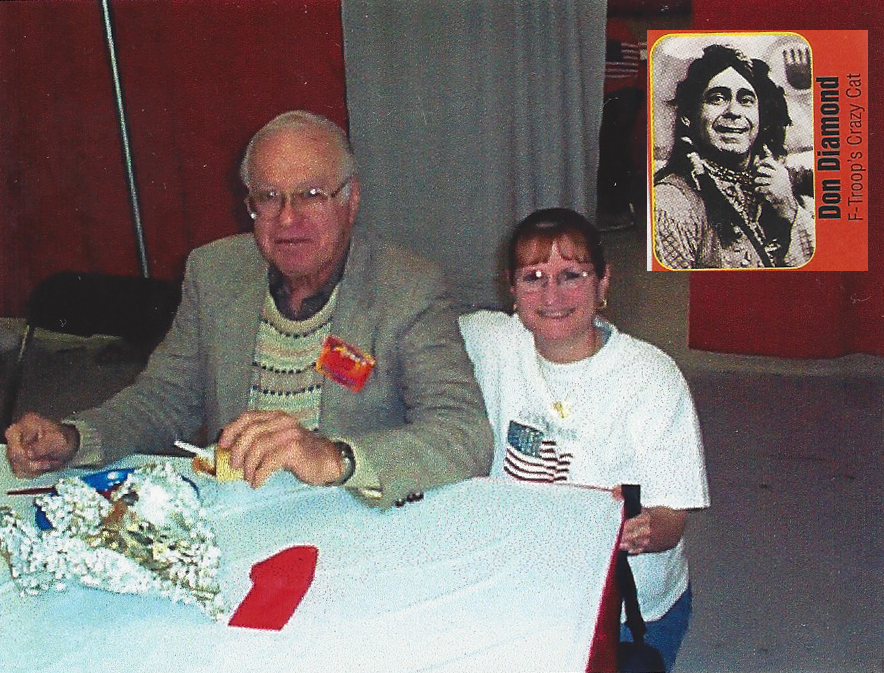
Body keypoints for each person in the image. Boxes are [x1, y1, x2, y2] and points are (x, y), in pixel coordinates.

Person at [5, 110, 493, 508]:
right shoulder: (215, 272)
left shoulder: (407, 287)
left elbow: (463, 434)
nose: (288, 218)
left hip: (353, 513)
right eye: (269, 197)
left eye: (310, 195)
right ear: (250, 206)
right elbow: (163, 400)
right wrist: (75, 438)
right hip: (243, 509)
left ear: (351, 200)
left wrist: (336, 459)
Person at [459, 208, 709, 670]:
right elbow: (405, 332)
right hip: (521, 582)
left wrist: (642, 528)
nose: (552, 295)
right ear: (510, 287)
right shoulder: (489, 340)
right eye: (533, 277)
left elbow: (672, 520)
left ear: (603, 282)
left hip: (629, 611)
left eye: (571, 275)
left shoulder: (652, 377)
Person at [653, 43, 815, 269]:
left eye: (746, 100)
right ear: (689, 115)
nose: (733, 112)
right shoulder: (671, 204)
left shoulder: (782, 187)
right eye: (717, 98)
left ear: (760, 118)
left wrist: (789, 210)